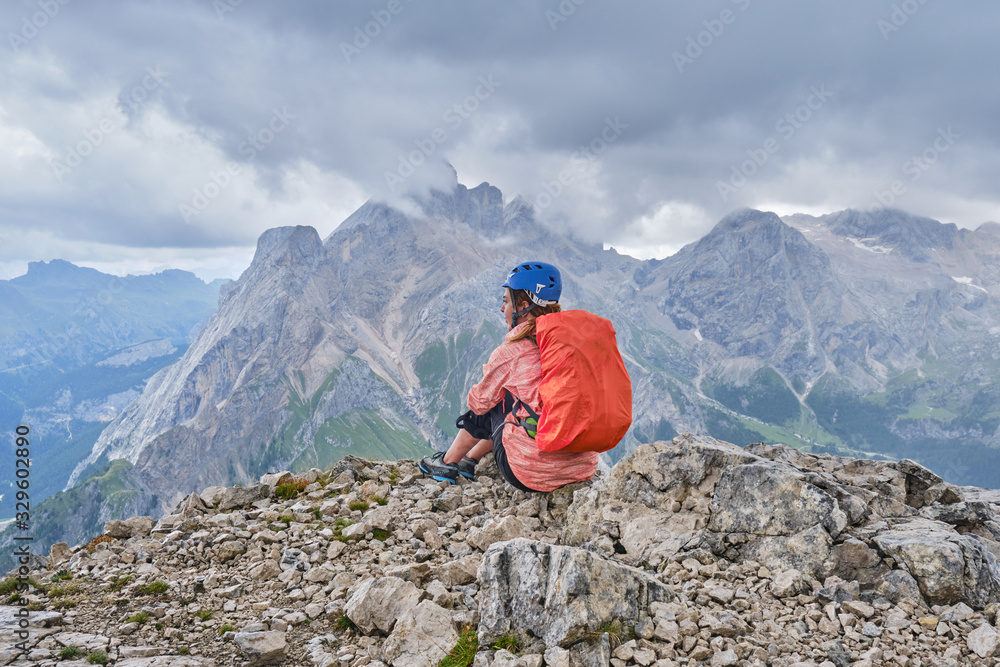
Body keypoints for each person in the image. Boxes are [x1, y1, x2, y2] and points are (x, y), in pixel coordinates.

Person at [418, 261, 599, 492]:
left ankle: (447, 463)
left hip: (531, 473)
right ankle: (470, 459)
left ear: (523, 305)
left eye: (505, 301)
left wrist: (497, 383)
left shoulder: (512, 352)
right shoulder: (571, 344)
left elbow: (478, 403)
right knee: (513, 400)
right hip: (581, 470)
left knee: (495, 400)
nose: (501, 308)